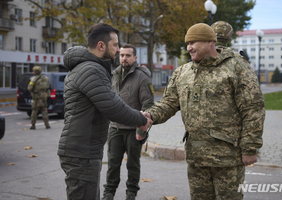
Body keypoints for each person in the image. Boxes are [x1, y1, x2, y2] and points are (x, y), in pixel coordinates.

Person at [143, 23, 265, 200]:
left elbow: (253, 108)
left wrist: (250, 147)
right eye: (187, 43)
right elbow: (169, 103)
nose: (189, 48)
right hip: (196, 157)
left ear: (210, 42)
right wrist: (150, 115)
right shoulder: (183, 72)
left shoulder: (236, 67)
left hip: (227, 158)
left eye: (193, 42)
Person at [57, 23, 152, 200]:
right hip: (81, 152)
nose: (117, 50)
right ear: (101, 45)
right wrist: (140, 118)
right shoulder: (90, 69)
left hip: (83, 150)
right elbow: (113, 106)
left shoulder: (90, 67)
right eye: (115, 45)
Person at [102, 44, 154, 200]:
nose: (124, 58)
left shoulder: (142, 77)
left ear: (135, 58)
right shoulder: (113, 74)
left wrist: (141, 130)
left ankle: (131, 193)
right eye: (122, 55)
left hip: (133, 129)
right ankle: (109, 193)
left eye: (128, 55)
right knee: (112, 163)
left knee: (133, 164)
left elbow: (148, 105)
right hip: (115, 128)